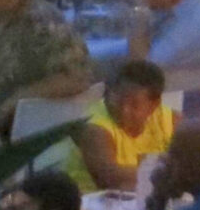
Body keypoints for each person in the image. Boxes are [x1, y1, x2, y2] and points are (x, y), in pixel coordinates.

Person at [66, 60, 177, 195]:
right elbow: (109, 178)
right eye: (118, 100)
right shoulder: (94, 128)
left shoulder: (169, 119)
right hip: (91, 206)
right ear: (107, 93)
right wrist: (168, 170)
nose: (124, 110)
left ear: (153, 106)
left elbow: (193, 162)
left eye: (134, 105)